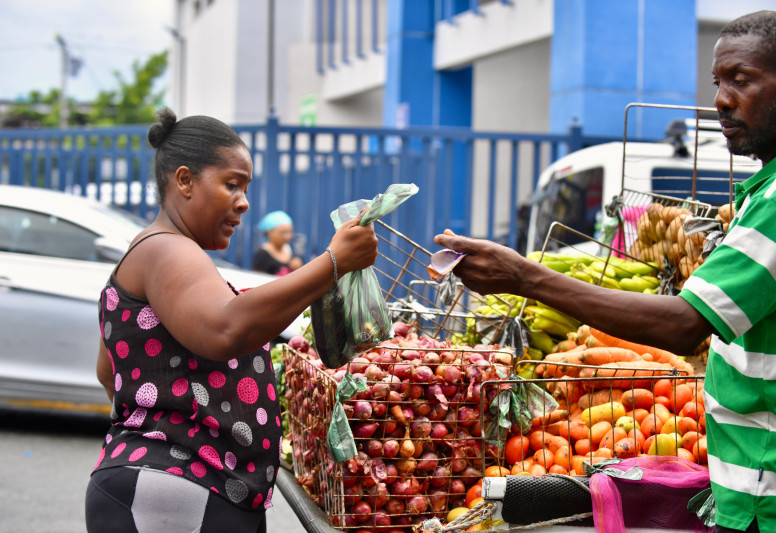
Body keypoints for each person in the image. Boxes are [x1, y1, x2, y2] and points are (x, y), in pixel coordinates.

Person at [435, 11, 776, 533]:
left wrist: (525, 277)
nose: (721, 101)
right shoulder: (761, 196)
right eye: (718, 82)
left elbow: (684, 323)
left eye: (742, 80)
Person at [85, 107, 378, 533]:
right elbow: (227, 328)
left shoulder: (153, 251)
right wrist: (333, 263)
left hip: (175, 489)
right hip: (177, 490)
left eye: (246, 187)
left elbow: (108, 370)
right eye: (231, 184)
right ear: (184, 180)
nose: (243, 202)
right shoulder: (168, 249)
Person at [253, 210, 303, 276]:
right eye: (283, 232)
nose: (288, 236)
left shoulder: (288, 249)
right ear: (269, 233)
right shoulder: (262, 254)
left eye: (290, 232)